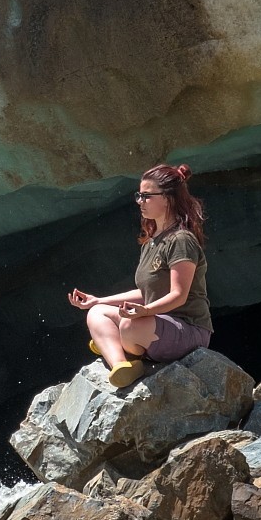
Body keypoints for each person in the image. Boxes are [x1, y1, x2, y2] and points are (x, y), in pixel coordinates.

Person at [67, 162, 213, 387]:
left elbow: (179, 295)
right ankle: (122, 365)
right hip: (157, 325)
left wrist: (145, 311)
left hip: (189, 329)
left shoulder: (181, 240)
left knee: (128, 325)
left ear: (167, 198)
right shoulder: (152, 242)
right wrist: (98, 300)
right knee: (97, 313)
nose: (139, 201)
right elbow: (146, 292)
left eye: (146, 196)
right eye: (139, 195)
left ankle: (119, 344)